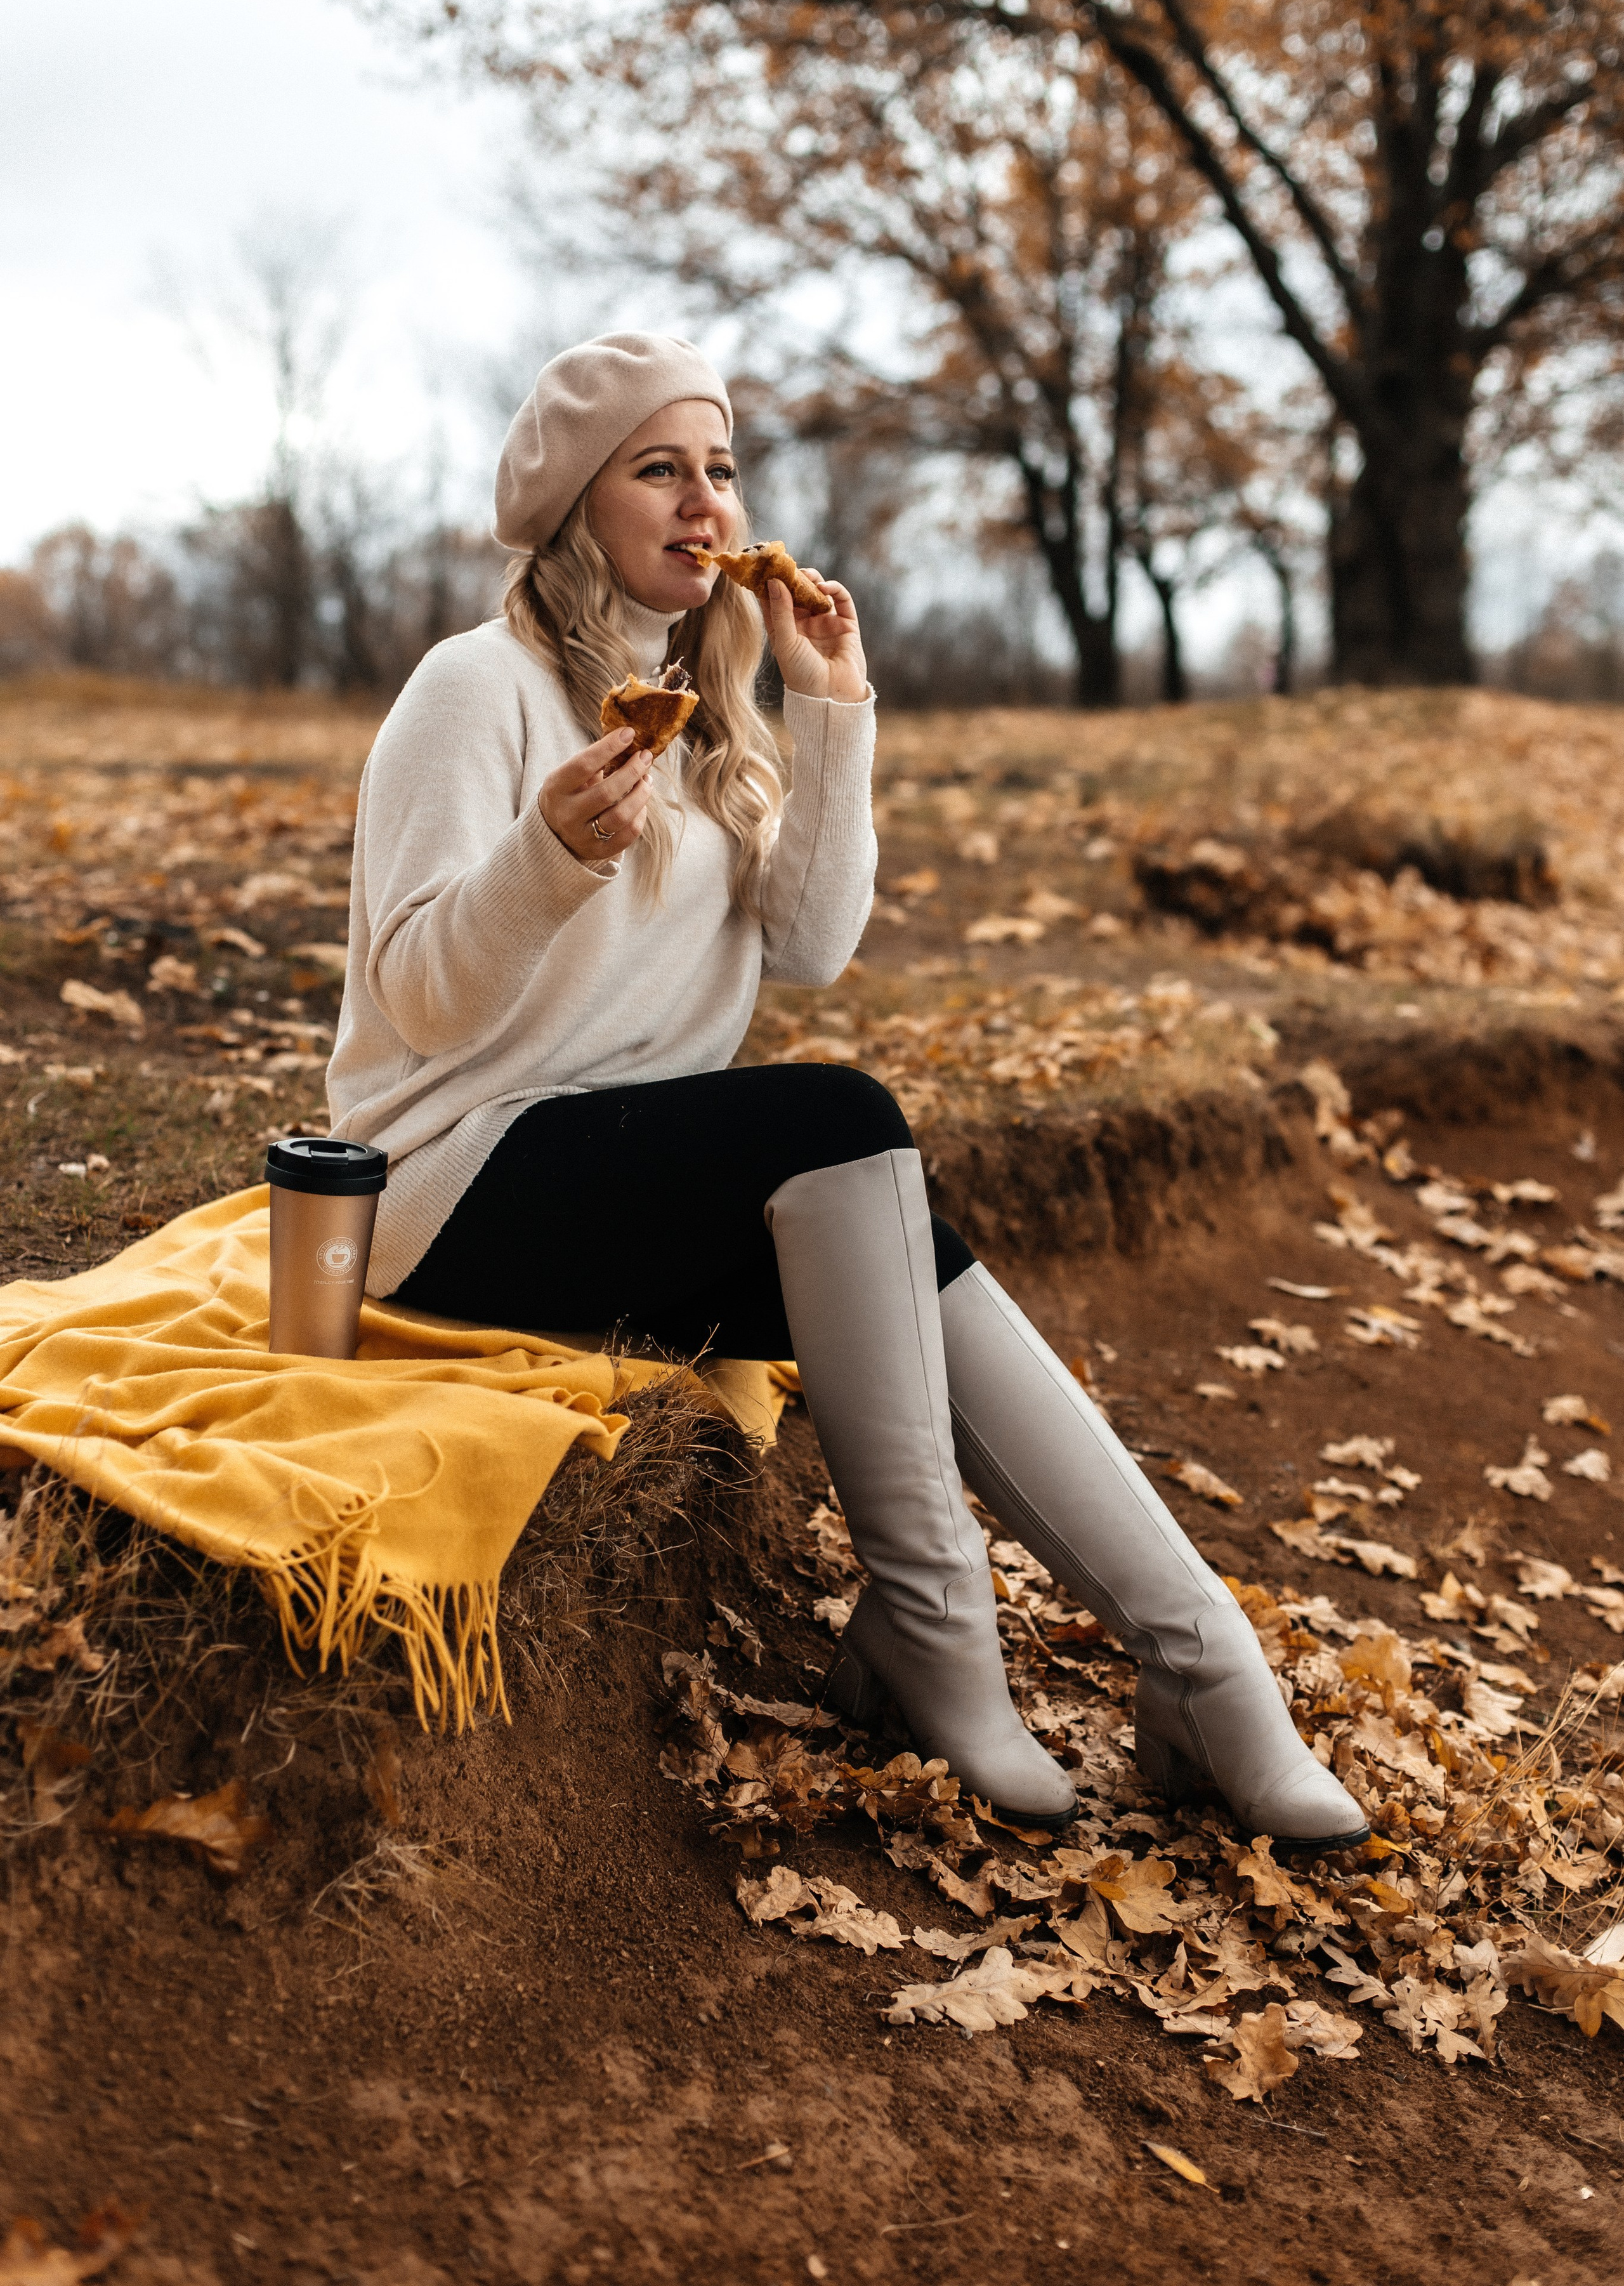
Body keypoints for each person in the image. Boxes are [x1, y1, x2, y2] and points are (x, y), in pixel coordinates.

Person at [327, 331, 1367, 1852]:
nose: (704, 502)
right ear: (572, 502)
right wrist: (544, 858)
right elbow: (418, 996)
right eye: (658, 469)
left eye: (720, 469)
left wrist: (828, 710)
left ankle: (1204, 1666)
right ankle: (940, 1635)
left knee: (899, 1240)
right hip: (448, 1182)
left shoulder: (708, 707)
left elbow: (811, 948)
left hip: (636, 1180)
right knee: (840, 1120)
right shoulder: (472, 688)